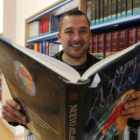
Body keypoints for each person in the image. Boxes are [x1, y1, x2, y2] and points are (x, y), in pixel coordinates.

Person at [2, 9, 140, 130]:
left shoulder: (109, 72)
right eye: (69, 31)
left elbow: (127, 115)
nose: (77, 38)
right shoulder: (40, 71)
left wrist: (136, 113)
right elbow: (28, 113)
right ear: (59, 37)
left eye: (83, 31)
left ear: (90, 36)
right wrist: (13, 114)